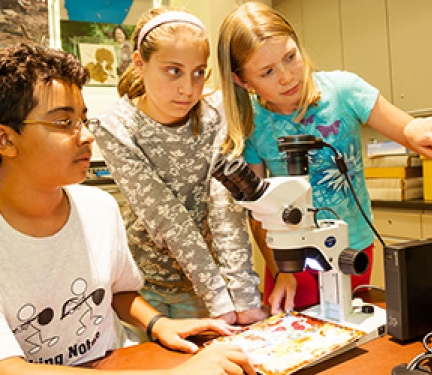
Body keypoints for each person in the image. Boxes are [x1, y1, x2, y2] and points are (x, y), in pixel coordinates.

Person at [0, 41, 256, 375]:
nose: (86, 136)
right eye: (64, 123)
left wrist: (158, 324)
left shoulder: (100, 208)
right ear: (6, 139)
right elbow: (11, 368)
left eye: (84, 119)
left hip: (118, 361)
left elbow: (118, 292)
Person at [217, 1, 432, 315]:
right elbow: (258, 211)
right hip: (291, 260)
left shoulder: (344, 91)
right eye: (267, 72)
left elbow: (405, 126)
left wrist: (418, 130)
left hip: (352, 246)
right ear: (242, 80)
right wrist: (282, 270)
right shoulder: (250, 122)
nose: (286, 77)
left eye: (290, 57)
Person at [92, 7, 267, 325]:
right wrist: (217, 297)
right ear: (139, 65)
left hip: (214, 288)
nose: (188, 88)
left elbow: (225, 210)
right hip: (148, 291)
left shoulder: (216, 112)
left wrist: (244, 298)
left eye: (198, 72)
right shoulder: (115, 125)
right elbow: (168, 219)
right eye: (173, 71)